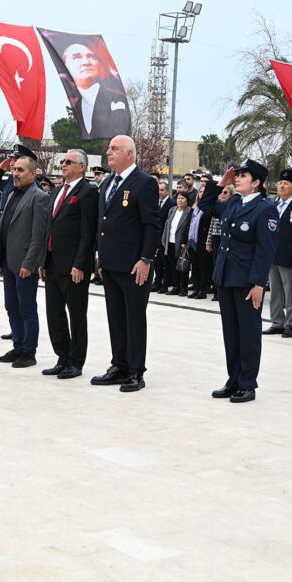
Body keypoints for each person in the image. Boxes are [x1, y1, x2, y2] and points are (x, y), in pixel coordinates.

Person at [197, 160, 279, 404]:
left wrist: (258, 284)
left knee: (248, 333)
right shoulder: (233, 203)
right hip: (225, 277)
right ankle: (233, 380)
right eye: (238, 175)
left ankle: (247, 383)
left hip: (246, 281)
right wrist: (220, 183)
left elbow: (266, 250)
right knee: (231, 333)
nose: (238, 179)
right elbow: (205, 204)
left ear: (256, 183)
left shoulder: (265, 210)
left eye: (243, 176)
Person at [90, 135, 161, 393]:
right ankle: (118, 365)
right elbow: (103, 221)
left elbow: (151, 225)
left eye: (114, 148)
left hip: (134, 266)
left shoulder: (144, 183)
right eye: (109, 148)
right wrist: (100, 255)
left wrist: (146, 259)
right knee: (115, 317)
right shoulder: (108, 182)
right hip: (109, 264)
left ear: (130, 154)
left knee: (134, 318)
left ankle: (135, 370)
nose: (108, 152)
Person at [40, 148, 98, 379]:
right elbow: (48, 228)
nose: (63, 165)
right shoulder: (56, 192)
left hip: (73, 266)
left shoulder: (87, 192)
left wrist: (80, 264)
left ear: (82, 167)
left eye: (68, 162)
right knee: (54, 314)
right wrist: (43, 260)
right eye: (62, 161)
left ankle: (76, 362)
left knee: (76, 315)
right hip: (52, 262)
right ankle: (62, 356)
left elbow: (88, 233)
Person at [0, 153, 49, 369]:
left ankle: (28, 351)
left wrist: (30, 264)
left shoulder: (39, 197)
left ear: (33, 174)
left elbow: (38, 236)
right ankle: (17, 346)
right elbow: (5, 227)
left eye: (20, 170)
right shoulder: (12, 194)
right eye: (14, 169)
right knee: (11, 306)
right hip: (8, 261)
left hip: (24, 264)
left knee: (26, 307)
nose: (15, 173)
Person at [265, 169, 292, 338]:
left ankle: (290, 324)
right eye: (280, 183)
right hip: (272, 255)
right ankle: (277, 322)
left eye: (286, 184)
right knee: (275, 291)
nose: (282, 186)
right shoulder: (272, 204)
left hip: (290, 258)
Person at [62, 42, 131, 140]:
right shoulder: (77, 105)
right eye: (77, 57)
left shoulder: (116, 99)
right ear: (66, 66)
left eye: (91, 56)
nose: (86, 62)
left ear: (100, 64)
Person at [160, 191, 192, 296]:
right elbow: (167, 225)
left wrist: (185, 241)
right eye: (178, 198)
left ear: (187, 200)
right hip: (170, 242)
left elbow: (189, 228)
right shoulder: (172, 210)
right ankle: (175, 286)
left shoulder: (189, 212)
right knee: (172, 265)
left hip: (181, 243)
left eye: (183, 198)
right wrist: (164, 239)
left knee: (182, 266)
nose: (180, 200)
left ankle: (183, 288)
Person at [150, 181, 175, 292]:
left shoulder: (172, 204)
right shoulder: (154, 202)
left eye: (162, 190)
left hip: (165, 237)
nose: (159, 192)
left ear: (167, 191)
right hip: (154, 236)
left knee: (166, 262)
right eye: (158, 190)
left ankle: (165, 284)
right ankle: (157, 282)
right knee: (157, 262)